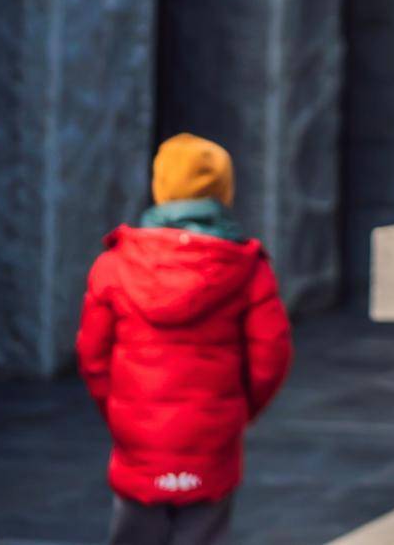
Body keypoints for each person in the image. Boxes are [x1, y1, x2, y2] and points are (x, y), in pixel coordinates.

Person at [77, 133, 293, 545]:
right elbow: (271, 355)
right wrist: (238, 410)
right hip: (212, 434)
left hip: (137, 435)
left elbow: (91, 355)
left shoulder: (114, 264)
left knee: (133, 532)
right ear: (224, 191)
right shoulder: (246, 267)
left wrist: (119, 408)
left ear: (160, 188)